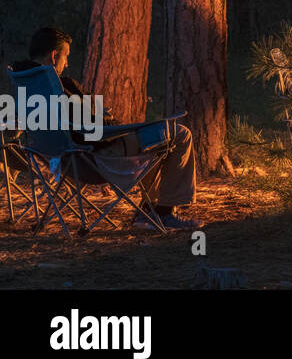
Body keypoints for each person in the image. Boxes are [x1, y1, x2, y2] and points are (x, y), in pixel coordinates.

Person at [12, 27, 198, 231]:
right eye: (66, 57)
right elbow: (92, 127)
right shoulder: (61, 86)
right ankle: (162, 213)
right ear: (54, 55)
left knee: (155, 141)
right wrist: (113, 123)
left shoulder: (24, 81)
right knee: (179, 134)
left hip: (57, 160)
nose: (67, 63)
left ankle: (148, 212)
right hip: (93, 160)